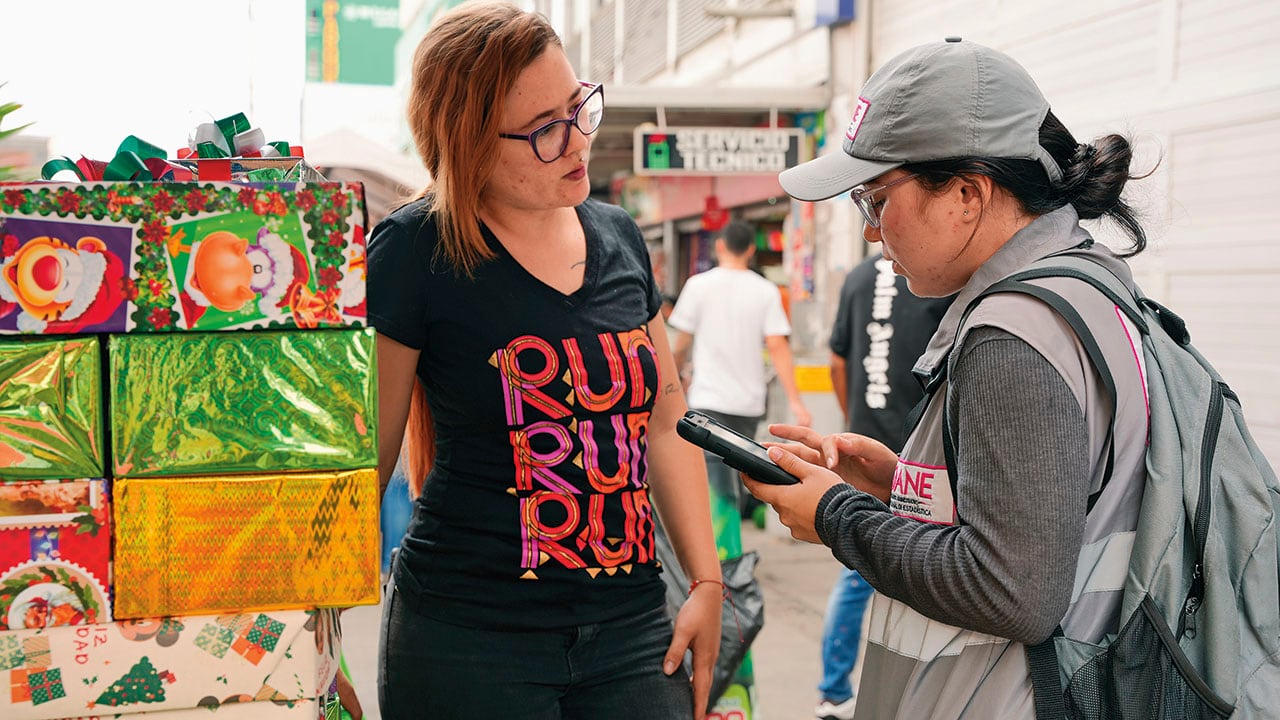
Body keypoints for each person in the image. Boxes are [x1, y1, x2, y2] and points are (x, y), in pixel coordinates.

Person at [744, 37, 1153, 718]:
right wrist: (905, 487)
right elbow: (1055, 512)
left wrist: (835, 514)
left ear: (967, 194)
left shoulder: (1012, 334)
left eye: (876, 199)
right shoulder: (1092, 285)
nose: (871, 233)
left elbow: (1013, 591)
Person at [366, 4, 722, 719]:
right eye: (544, 129)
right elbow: (366, 461)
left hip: (632, 631)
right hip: (466, 639)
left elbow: (665, 420)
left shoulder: (620, 235)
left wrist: (707, 582)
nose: (578, 140)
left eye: (577, 107)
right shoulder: (413, 250)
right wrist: (315, 638)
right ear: (468, 144)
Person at [814, 253, 952, 720]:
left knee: (858, 565)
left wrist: (853, 417)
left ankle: (834, 690)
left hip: (862, 445)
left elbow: (837, 360)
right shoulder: (934, 274)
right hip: (916, 449)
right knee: (916, 569)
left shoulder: (856, 279)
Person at [668, 220, 812, 534]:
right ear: (749, 250)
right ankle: (725, 546)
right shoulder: (765, 290)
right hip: (747, 402)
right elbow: (778, 347)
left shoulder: (698, 285)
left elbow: (681, 343)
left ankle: (725, 551)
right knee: (736, 472)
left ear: (720, 246)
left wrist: (672, 381)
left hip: (708, 399)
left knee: (715, 478)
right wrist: (796, 401)